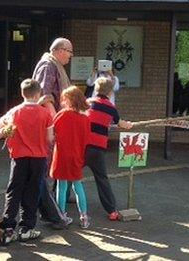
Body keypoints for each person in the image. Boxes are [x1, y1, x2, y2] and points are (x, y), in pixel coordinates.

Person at [0, 79, 53, 245]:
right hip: (39, 158)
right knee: (32, 192)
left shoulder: (14, 112)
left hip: (19, 157)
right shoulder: (45, 113)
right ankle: (27, 228)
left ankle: (7, 229)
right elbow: (49, 139)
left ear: (23, 93)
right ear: (38, 94)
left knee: (14, 191)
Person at [32, 37, 72, 229]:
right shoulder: (48, 65)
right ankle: (49, 212)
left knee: (43, 170)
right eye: (69, 51)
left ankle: (47, 211)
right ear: (58, 50)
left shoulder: (54, 65)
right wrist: (56, 121)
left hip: (51, 123)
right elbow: (43, 96)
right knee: (43, 169)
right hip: (47, 126)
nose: (71, 56)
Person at [86, 77, 133, 220]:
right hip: (98, 148)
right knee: (101, 178)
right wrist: (128, 125)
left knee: (69, 174)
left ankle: (58, 202)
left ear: (95, 89)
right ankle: (111, 211)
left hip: (82, 145)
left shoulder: (87, 103)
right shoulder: (111, 108)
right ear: (110, 92)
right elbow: (121, 124)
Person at [50, 86, 91, 228]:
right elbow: (86, 140)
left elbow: (52, 132)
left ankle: (61, 215)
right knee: (77, 185)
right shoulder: (85, 119)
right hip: (77, 155)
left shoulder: (62, 115)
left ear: (68, 100)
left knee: (61, 186)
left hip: (61, 154)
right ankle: (84, 216)